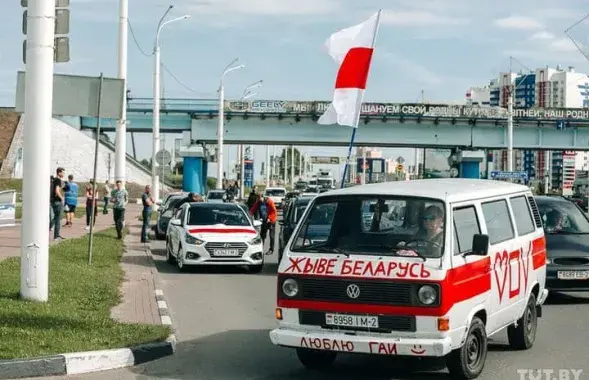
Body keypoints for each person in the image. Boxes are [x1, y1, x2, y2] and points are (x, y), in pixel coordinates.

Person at [49, 168, 66, 240]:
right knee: (58, 219)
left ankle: (52, 230)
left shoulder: (53, 180)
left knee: (56, 217)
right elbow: (57, 191)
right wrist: (62, 199)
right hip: (57, 201)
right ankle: (56, 236)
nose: (64, 174)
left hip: (53, 200)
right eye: (63, 173)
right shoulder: (58, 180)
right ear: (59, 173)